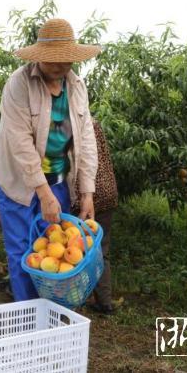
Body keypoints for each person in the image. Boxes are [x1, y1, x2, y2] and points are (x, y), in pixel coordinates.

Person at [0, 18, 100, 301]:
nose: (59, 67)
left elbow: (86, 140)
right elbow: (20, 143)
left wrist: (87, 192)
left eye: (66, 61)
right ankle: (28, 315)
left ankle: (51, 308)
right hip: (17, 180)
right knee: (22, 250)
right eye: (53, 60)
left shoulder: (76, 87)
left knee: (53, 241)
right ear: (39, 57)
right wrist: (42, 192)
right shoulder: (19, 84)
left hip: (59, 178)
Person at [72, 120, 118, 315]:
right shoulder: (96, 124)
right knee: (101, 250)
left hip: (86, 196)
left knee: (77, 250)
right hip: (108, 192)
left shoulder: (72, 126)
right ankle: (105, 302)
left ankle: (76, 300)